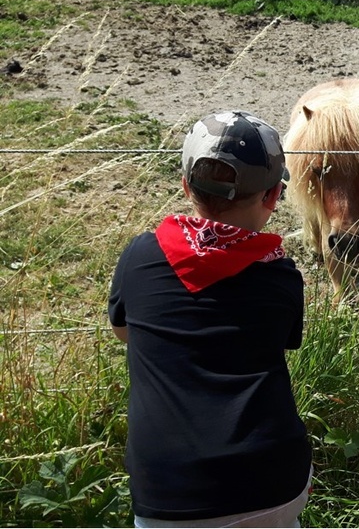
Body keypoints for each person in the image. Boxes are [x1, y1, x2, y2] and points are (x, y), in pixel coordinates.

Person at [108, 111, 312, 527]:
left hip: (169, 490)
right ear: (273, 196)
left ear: (186, 186)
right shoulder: (280, 276)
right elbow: (282, 341)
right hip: (273, 480)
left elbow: (123, 330)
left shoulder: (141, 255)